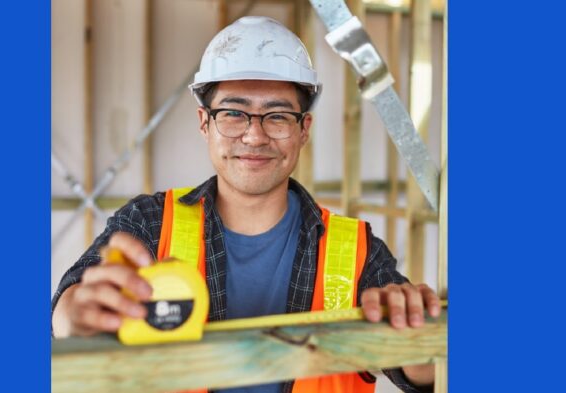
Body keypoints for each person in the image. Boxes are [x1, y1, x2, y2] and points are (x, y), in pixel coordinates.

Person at [52, 16, 442, 393]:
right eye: (234, 114)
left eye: (277, 116)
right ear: (205, 122)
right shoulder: (150, 223)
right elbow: (64, 310)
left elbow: (423, 374)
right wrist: (77, 317)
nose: (254, 136)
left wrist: (421, 336)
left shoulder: (354, 249)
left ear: (303, 129)